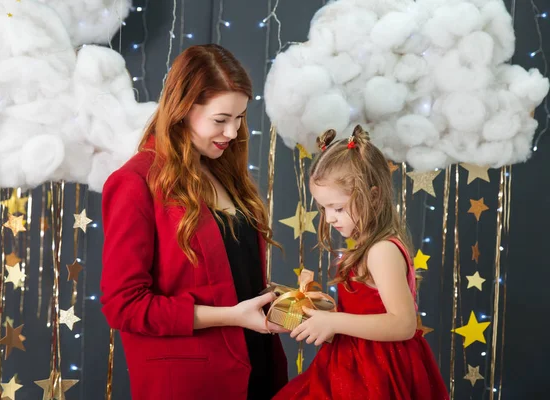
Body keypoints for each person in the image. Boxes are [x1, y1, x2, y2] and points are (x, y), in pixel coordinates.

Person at [100, 44, 288, 400]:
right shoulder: (135, 182)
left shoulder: (225, 172)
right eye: (220, 120)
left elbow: (230, 272)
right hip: (192, 382)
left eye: (240, 118)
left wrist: (274, 301)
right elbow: (123, 305)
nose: (232, 133)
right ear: (182, 110)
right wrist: (231, 316)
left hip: (257, 368)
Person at [273, 126, 448, 400]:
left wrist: (334, 322)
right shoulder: (366, 248)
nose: (329, 218)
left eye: (338, 208)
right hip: (351, 363)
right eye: (324, 208)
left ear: (374, 196)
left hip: (377, 371)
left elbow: (403, 324)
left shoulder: (382, 251)